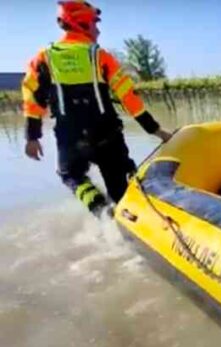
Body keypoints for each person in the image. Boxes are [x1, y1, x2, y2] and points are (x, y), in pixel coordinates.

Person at [22, 0, 172, 217]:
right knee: (121, 187)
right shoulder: (100, 56)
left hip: (71, 137)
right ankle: (139, 220)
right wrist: (156, 131)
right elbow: (129, 98)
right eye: (94, 24)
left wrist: (32, 136)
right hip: (107, 134)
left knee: (71, 176)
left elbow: (33, 99)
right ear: (81, 24)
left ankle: (102, 212)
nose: (98, 30)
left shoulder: (43, 58)